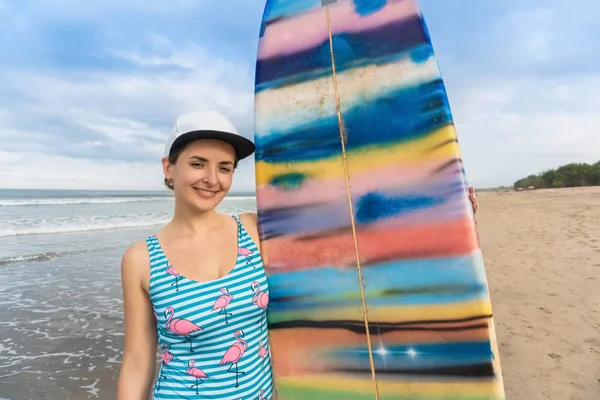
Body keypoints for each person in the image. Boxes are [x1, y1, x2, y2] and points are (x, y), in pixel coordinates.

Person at [117, 111, 273, 400]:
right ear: (169, 168)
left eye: (225, 168)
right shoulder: (141, 260)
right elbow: (138, 363)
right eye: (198, 164)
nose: (212, 179)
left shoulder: (253, 230)